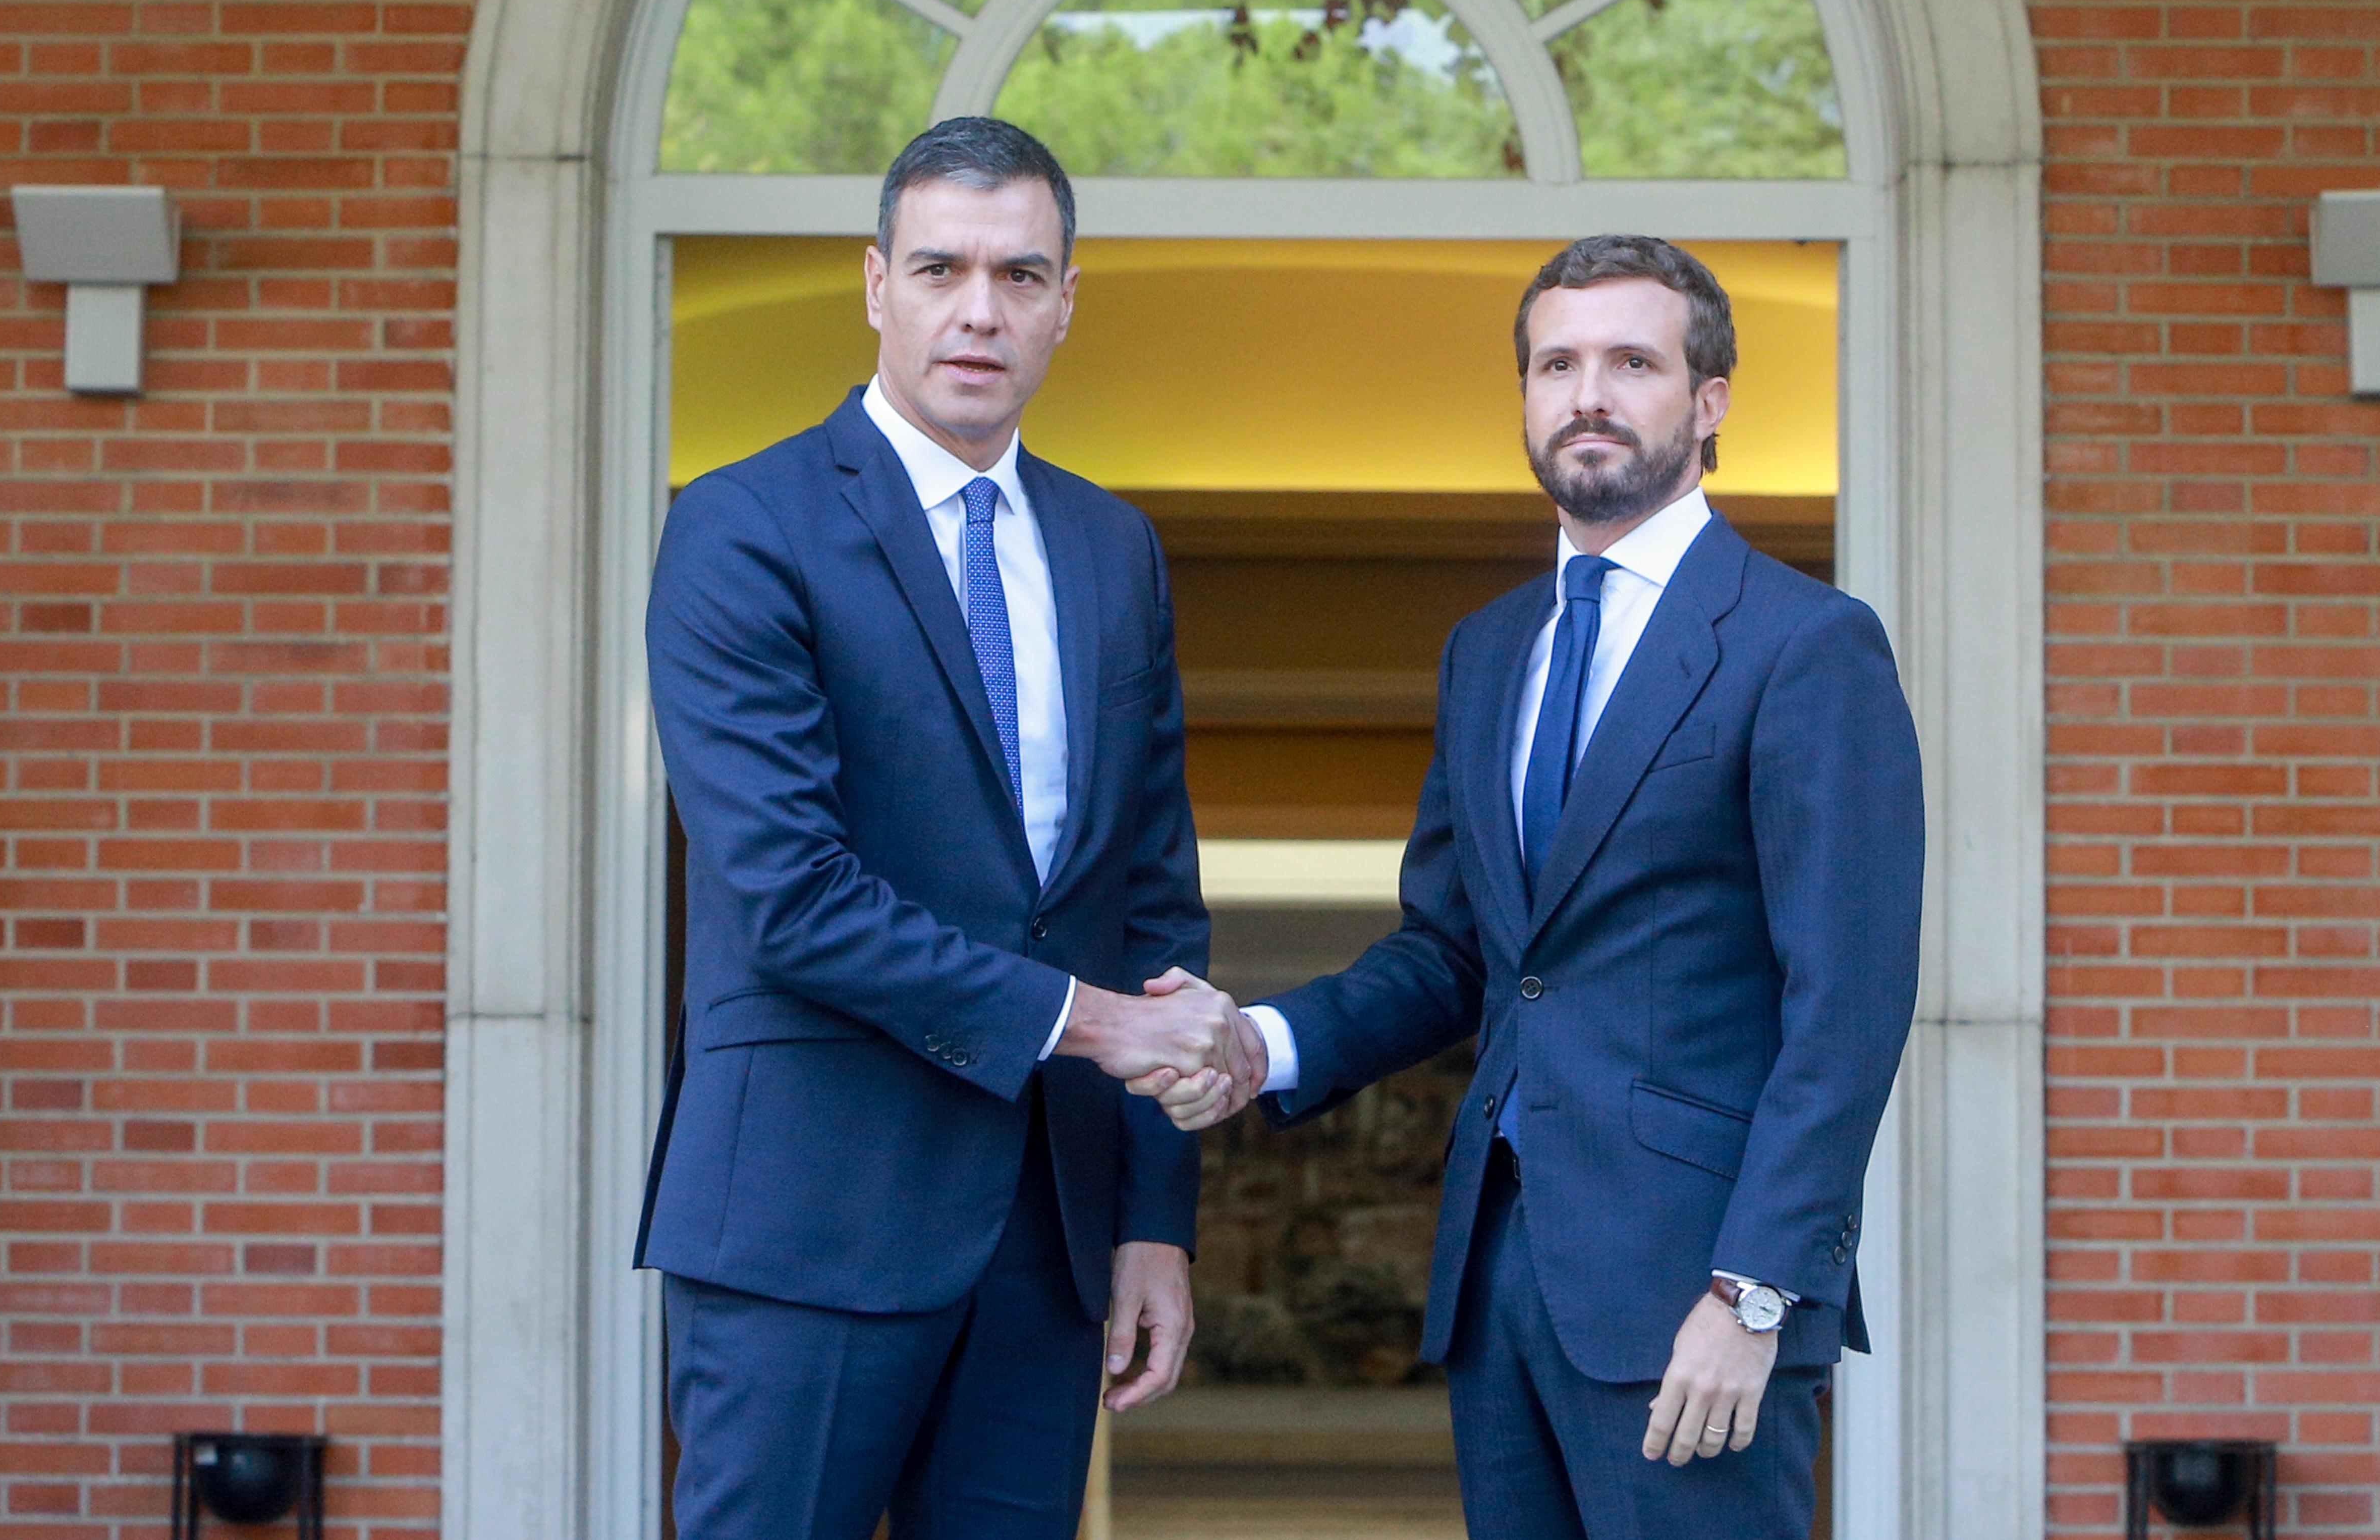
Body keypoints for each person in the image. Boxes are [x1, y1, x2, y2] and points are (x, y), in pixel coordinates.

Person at [1144, 235, 1923, 1540]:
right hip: (1499, 1283)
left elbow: (1846, 1004)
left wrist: (1759, 1293)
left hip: (1697, 1296)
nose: (1590, 394)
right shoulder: (1490, 653)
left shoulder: (1806, 646)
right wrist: (1262, 1043)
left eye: (1633, 360)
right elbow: (1455, 953)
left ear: (1712, 399)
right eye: (1557, 363)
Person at [636, 117, 1260, 1540]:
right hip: (807, 1214)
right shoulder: (742, 527)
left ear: (1065, 302)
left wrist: (1154, 1217)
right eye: (941, 269)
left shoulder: (1113, 549)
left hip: (1046, 1238)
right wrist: (1099, 1026)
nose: (980, 309)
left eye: (1020, 275)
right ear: (875, 285)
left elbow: (1151, 900)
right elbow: (791, 894)